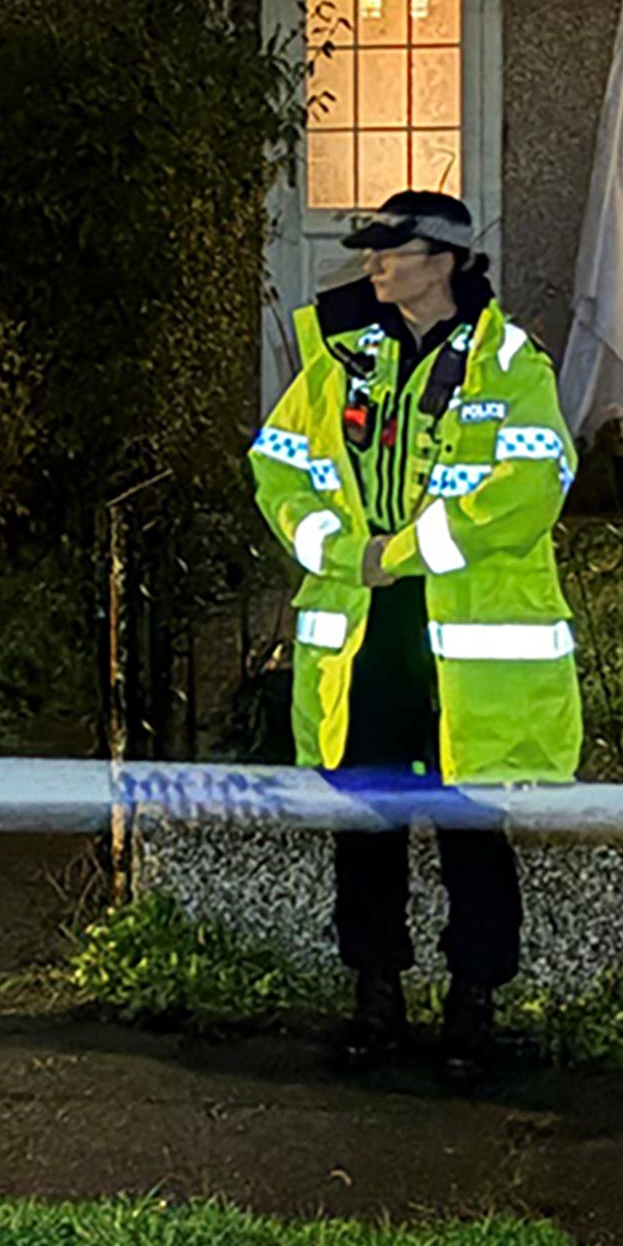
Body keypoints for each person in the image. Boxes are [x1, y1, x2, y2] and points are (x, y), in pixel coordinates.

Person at [244, 188, 579, 1079]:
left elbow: (528, 485)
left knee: (472, 830)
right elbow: (280, 467)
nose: (374, 265)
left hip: (464, 641)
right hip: (368, 633)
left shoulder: (510, 364)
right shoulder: (341, 358)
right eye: (373, 253)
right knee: (367, 824)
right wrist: (343, 551)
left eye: (391, 251)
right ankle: (375, 997)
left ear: (443, 260)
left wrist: (400, 551)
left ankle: (474, 1006)